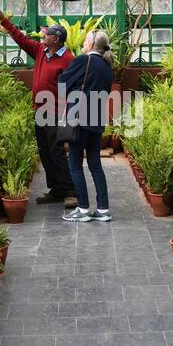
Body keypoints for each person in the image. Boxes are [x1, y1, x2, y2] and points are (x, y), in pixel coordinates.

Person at [0, 8, 77, 206]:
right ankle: (56, 189)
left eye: (46, 34)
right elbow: (20, 39)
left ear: (55, 39)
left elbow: (74, 89)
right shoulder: (41, 51)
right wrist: (4, 20)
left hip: (56, 113)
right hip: (40, 110)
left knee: (56, 151)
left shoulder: (68, 60)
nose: (42, 36)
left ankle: (71, 191)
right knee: (44, 151)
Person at [58, 28, 114, 223]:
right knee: (95, 165)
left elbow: (62, 82)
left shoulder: (84, 60)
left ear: (90, 45)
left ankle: (82, 210)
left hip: (80, 120)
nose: (83, 44)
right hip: (97, 121)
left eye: (85, 41)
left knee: (74, 164)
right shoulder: (108, 66)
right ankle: (103, 210)